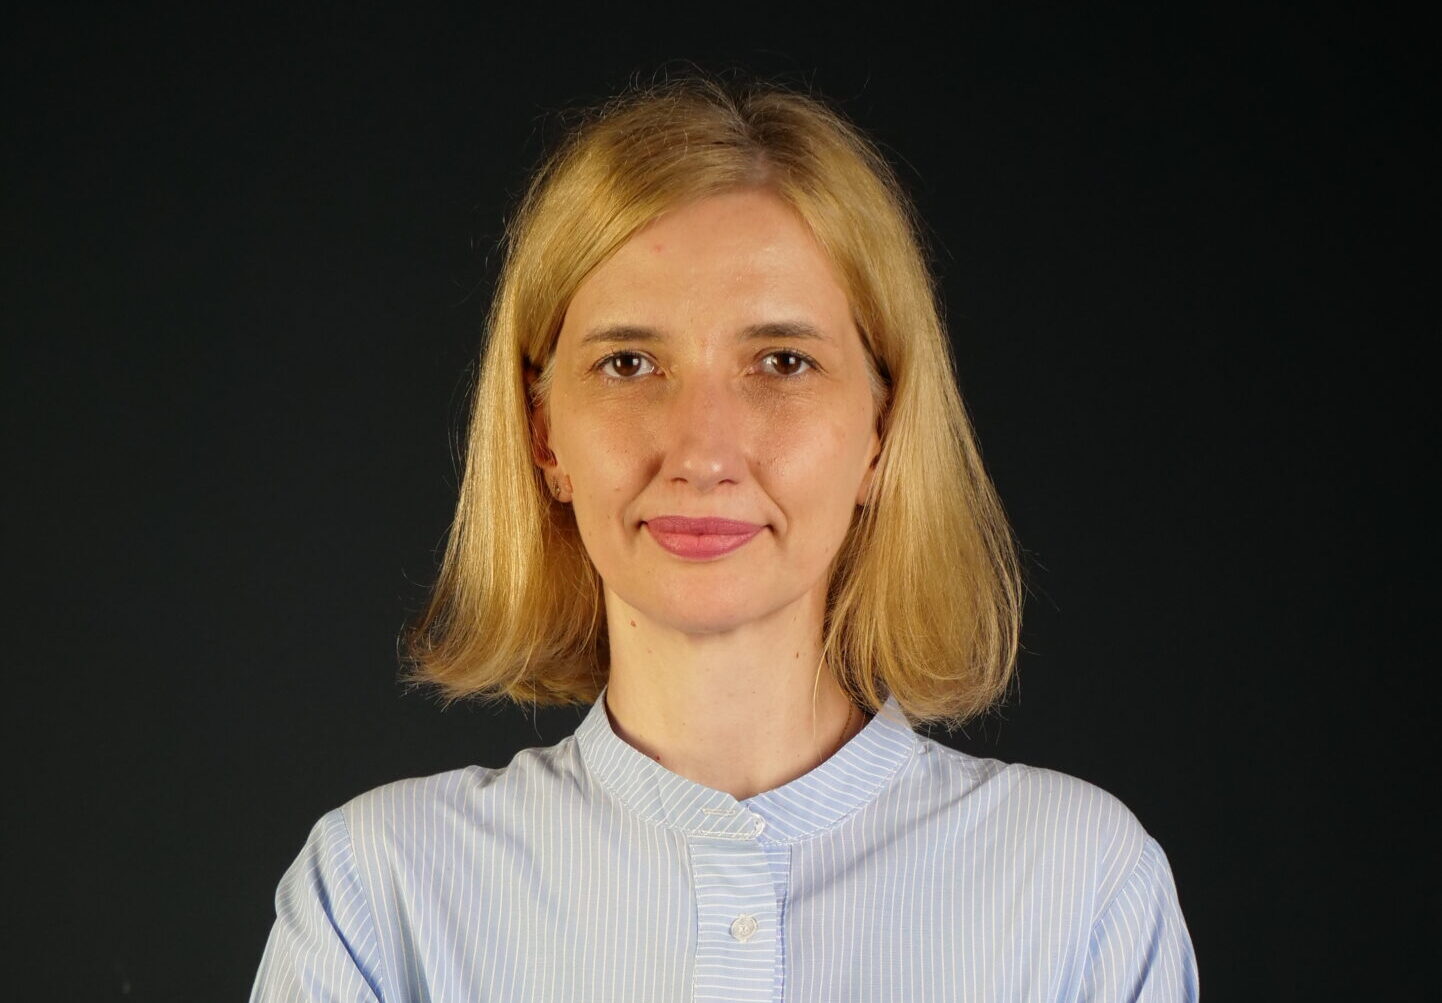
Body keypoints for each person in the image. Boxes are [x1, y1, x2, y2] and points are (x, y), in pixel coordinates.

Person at [250, 72, 1199, 1002]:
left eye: (782, 361)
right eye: (629, 363)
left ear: (882, 433)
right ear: (544, 437)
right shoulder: (380, 898)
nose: (702, 453)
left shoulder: (1078, 889)